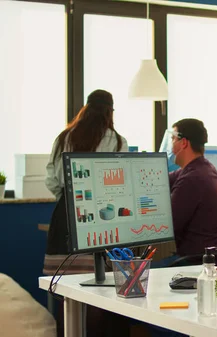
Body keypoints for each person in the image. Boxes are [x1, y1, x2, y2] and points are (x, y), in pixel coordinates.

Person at [43, 89, 129, 337]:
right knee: (100, 288)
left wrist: (70, 202)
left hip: (66, 216)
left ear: (85, 108)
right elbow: (120, 183)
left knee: (65, 289)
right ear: (110, 112)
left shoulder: (64, 137)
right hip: (103, 216)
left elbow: (52, 179)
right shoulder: (117, 141)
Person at [156, 118, 217, 267]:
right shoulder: (200, 169)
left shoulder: (193, 178)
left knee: (136, 271)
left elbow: (168, 226)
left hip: (196, 262)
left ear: (183, 143)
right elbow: (161, 181)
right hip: (202, 257)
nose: (171, 145)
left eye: (173, 139)